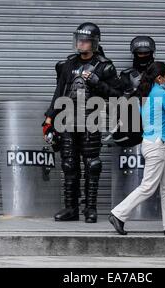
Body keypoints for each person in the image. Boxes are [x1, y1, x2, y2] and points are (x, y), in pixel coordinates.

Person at [43, 22, 123, 223]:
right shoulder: (68, 64)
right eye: (79, 40)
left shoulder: (105, 66)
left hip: (90, 120)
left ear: (94, 43)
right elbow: (59, 92)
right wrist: (49, 117)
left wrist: (97, 82)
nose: (81, 44)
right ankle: (71, 208)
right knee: (69, 164)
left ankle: (90, 209)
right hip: (67, 119)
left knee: (91, 164)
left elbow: (117, 95)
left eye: (85, 41)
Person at [109, 61, 165, 236]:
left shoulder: (142, 95)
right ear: (159, 77)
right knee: (148, 186)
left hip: (149, 143)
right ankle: (118, 214)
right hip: (158, 145)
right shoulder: (163, 94)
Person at [113, 36, 165, 147]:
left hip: (156, 129)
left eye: (146, 53)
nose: (143, 57)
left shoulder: (162, 78)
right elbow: (117, 105)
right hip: (132, 129)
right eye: (140, 54)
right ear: (134, 54)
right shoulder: (126, 76)